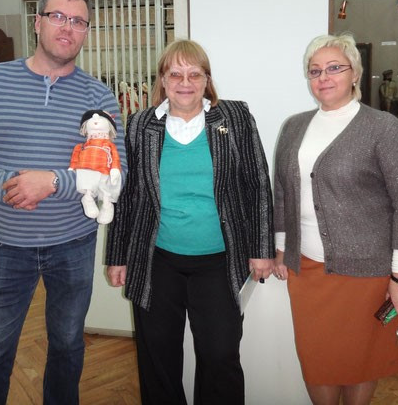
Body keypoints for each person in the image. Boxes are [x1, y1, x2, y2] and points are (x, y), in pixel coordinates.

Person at [0, 0, 127, 405]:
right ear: (38, 21)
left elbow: (118, 171)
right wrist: (10, 185)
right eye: (58, 16)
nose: (68, 28)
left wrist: (53, 182)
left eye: (78, 21)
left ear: (86, 31)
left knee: (67, 348)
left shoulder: (99, 96)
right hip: (6, 245)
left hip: (73, 245)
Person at [105, 39, 275, 404]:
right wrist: (118, 256)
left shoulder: (234, 116)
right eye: (175, 74)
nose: (185, 82)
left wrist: (262, 249)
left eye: (194, 74)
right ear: (163, 80)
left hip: (219, 260)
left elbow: (257, 183)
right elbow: (127, 193)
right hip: (156, 260)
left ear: (206, 80)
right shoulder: (141, 125)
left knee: (220, 356)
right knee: (158, 359)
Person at [273, 33, 398, 405]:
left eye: (334, 68)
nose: (323, 77)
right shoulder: (294, 127)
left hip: (366, 272)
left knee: (361, 360)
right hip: (307, 270)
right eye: (315, 71)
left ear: (354, 73)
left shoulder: (383, 128)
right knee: (316, 360)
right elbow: (281, 193)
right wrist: (280, 248)